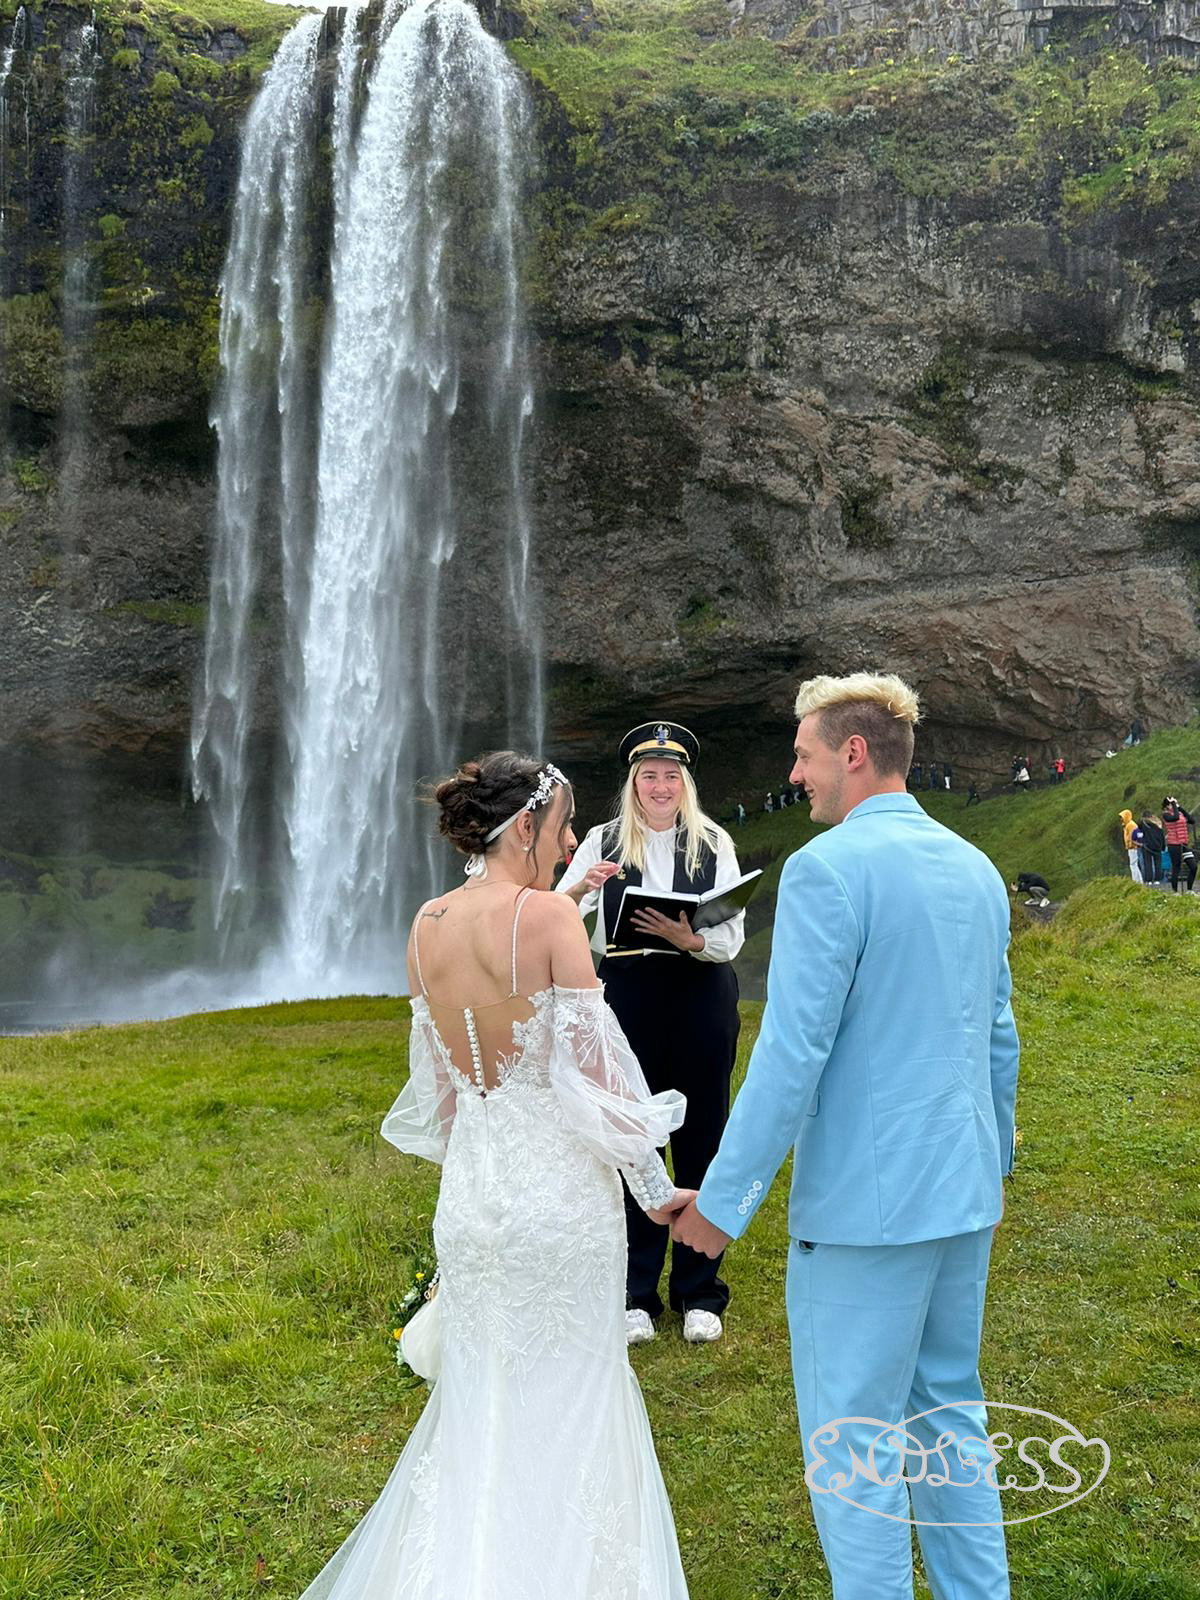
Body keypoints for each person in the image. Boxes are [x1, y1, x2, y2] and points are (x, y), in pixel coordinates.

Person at [298, 751, 691, 1600]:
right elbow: (603, 1081)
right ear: (525, 827)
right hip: (557, 1204)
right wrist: (659, 1196)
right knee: (574, 1393)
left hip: (473, 1199)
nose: (570, 843)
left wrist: (479, 1178)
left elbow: (442, 1095)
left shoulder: (426, 924)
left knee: (486, 1402)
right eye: (562, 828)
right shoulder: (548, 917)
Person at [666, 671, 1017, 1600]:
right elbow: (998, 1038)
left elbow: (791, 1052)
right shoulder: (976, 868)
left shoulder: (828, 870)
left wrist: (725, 1204)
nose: (796, 773)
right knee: (950, 1417)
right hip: (962, 1188)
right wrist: (996, 1161)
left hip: (867, 1208)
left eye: (805, 754)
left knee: (853, 1443)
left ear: (852, 753)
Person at [557, 721, 744, 1347]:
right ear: (633, 782)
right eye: (648, 776)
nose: (659, 786)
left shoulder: (712, 842)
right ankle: (636, 1293)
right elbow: (558, 912)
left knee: (701, 1136)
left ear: (683, 782)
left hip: (698, 995)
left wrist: (689, 939)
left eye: (670, 776)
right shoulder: (604, 841)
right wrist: (586, 884)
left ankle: (698, 1290)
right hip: (629, 999)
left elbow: (730, 935)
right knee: (632, 1139)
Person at [1162, 797, 1196, 892]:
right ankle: (1175, 891)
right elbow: (1175, 818)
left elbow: (1191, 820)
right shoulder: (1166, 815)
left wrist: (1180, 808)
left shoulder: (1180, 813)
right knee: (1176, 868)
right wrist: (1173, 805)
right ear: (1167, 805)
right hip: (1174, 845)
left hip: (1184, 844)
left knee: (1193, 867)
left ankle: (1189, 890)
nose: (1175, 805)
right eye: (1173, 803)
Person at [1140, 811, 1166, 886]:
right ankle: (1158, 879)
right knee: (1158, 863)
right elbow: (1162, 836)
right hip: (1158, 846)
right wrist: (1163, 846)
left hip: (1147, 846)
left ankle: (1149, 880)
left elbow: (1140, 834)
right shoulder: (1158, 823)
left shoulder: (1143, 824)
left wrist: (1141, 842)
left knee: (1147, 863)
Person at [1119, 808, 1143, 882]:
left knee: (1133, 864)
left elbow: (1132, 836)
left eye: (1122, 817)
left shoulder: (1130, 825)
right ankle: (1139, 880)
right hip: (1132, 847)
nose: (1121, 819)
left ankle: (1135, 880)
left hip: (1133, 847)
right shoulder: (1127, 825)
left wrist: (1131, 845)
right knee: (1134, 864)